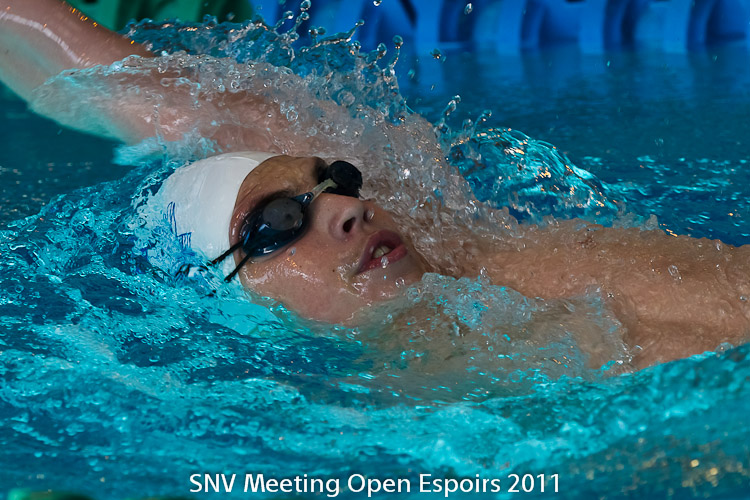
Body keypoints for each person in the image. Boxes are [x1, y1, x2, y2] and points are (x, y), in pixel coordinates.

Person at [2, 0, 749, 370]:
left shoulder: (463, 247)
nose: (348, 207)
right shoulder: (420, 416)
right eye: (279, 222)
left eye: (337, 181)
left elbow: (176, 99)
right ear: (228, 307)